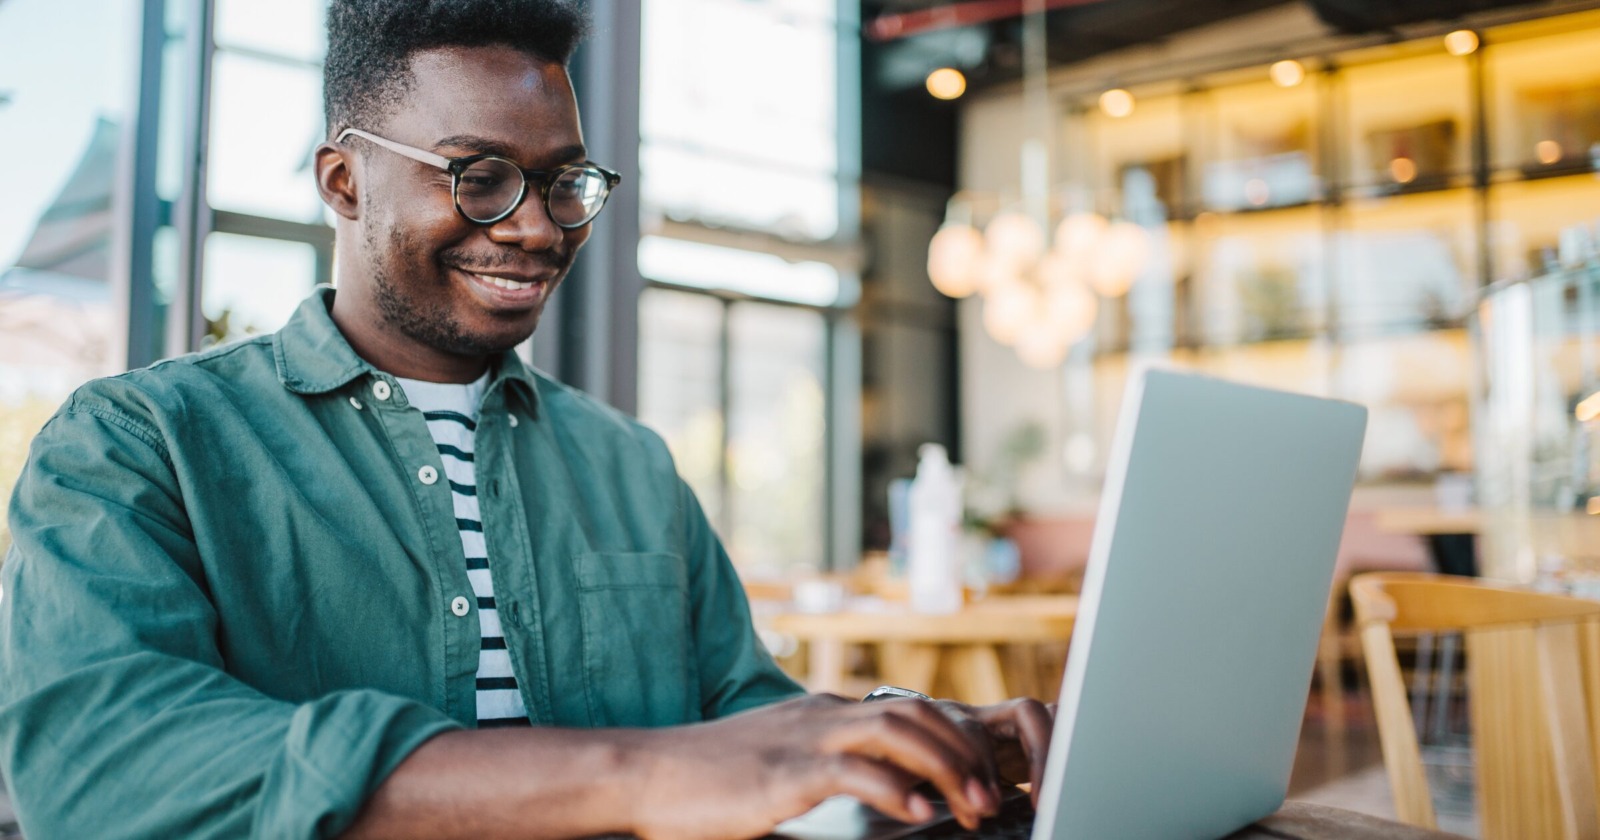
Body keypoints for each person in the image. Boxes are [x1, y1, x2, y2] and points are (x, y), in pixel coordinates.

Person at [0, 1, 1053, 837]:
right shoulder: (139, 444)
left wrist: (904, 742)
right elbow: (107, 774)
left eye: (562, 183)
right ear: (342, 181)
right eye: (480, 177)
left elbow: (742, 719)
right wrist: (635, 776)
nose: (537, 227)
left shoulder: (628, 464)